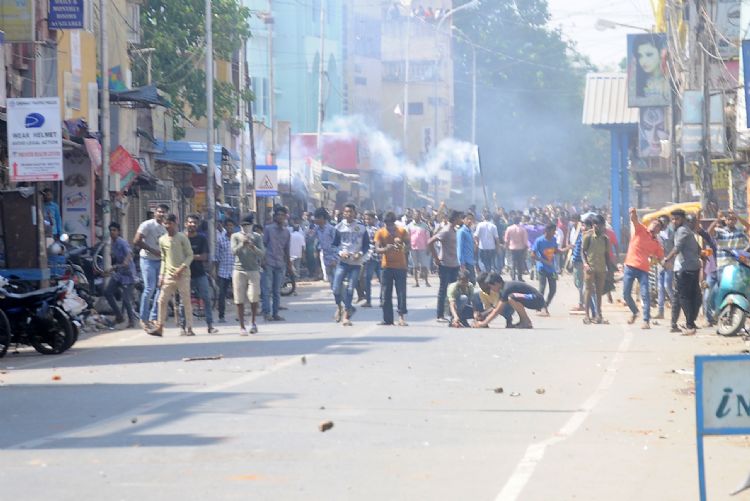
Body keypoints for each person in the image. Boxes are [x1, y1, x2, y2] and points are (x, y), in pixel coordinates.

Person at [149, 214, 193, 337]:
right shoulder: (162, 240)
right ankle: (160, 327)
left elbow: (190, 255)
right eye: (165, 223)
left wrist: (181, 268)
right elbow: (163, 258)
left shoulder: (182, 238)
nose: (167, 226)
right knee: (161, 300)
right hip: (169, 275)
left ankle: (189, 327)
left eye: (170, 223)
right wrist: (161, 275)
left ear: (175, 223)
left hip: (183, 275)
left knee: (186, 301)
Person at [622, 208, 664, 329]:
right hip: (630, 266)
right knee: (626, 294)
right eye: (654, 223)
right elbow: (634, 220)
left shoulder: (656, 243)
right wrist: (633, 212)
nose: (654, 226)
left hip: (643, 270)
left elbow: (661, 257)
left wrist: (665, 263)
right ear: (650, 224)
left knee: (645, 294)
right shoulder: (641, 230)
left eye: (657, 225)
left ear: (659, 230)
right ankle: (635, 312)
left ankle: (646, 320)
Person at [662, 209, 701, 335]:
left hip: (686, 269)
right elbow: (694, 248)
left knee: (684, 297)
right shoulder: (682, 230)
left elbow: (678, 247)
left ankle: (687, 324)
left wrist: (667, 258)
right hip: (687, 268)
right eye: (673, 219)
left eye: (677, 219)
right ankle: (685, 324)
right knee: (685, 297)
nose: (674, 221)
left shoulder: (682, 230)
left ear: (683, 219)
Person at [332, 203, 370, 326]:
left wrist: (360, 253)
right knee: (336, 288)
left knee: (350, 289)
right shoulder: (339, 227)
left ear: (355, 213)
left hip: (356, 263)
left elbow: (366, 245)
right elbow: (334, 245)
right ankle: (339, 306)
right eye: (346, 212)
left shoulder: (361, 227)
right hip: (343, 262)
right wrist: (340, 253)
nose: (348, 214)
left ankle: (346, 315)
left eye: (350, 212)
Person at [133, 203, 168, 331]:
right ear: (155, 213)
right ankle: (143, 318)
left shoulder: (166, 227)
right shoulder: (147, 225)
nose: (161, 214)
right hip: (147, 260)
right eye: (159, 211)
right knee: (149, 288)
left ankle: (154, 316)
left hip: (161, 261)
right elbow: (136, 241)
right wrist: (152, 250)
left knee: (161, 288)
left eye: (164, 212)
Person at [232, 214, 266, 335]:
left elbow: (262, 253)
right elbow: (233, 251)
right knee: (239, 298)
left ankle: (253, 322)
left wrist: (253, 247)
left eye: (248, 225)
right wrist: (242, 243)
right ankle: (242, 326)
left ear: (252, 225)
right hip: (239, 270)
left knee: (254, 296)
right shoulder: (235, 236)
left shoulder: (257, 237)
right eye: (243, 225)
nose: (245, 228)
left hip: (253, 270)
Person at [375, 211, 410, 326]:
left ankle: (401, 317)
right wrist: (386, 249)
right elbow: (377, 249)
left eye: (390, 224)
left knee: (401, 292)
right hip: (386, 266)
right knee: (385, 293)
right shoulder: (380, 232)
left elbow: (408, 245)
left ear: (394, 223)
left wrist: (402, 247)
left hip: (400, 266)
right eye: (386, 224)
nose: (388, 226)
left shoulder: (402, 231)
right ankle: (387, 319)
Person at [185, 214, 218, 334]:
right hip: (185, 274)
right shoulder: (182, 238)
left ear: (197, 225)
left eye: (194, 223)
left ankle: (210, 325)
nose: (192, 225)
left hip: (200, 273)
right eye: (190, 222)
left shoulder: (202, 238)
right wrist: (195, 256)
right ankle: (184, 327)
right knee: (184, 301)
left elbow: (204, 256)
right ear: (186, 224)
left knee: (206, 299)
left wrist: (189, 257)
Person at [473, 275, 546, 329]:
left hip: (537, 299)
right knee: (512, 298)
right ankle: (523, 321)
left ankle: (526, 322)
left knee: (512, 298)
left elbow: (497, 310)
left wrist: (483, 323)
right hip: (533, 299)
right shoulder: (503, 288)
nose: (491, 289)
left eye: (491, 287)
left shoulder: (506, 289)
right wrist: (483, 315)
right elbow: (497, 306)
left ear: (497, 283)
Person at [429, 210, 462, 322]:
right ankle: (440, 315)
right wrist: (436, 258)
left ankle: (452, 314)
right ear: (455, 218)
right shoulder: (446, 230)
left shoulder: (454, 230)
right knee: (443, 290)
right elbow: (430, 242)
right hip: (445, 264)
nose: (461, 220)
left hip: (454, 264)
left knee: (453, 290)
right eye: (459, 217)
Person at [102, 222, 136, 328]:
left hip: (128, 274)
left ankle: (131, 321)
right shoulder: (112, 243)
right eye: (111, 230)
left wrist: (126, 261)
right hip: (119, 273)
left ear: (118, 231)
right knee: (107, 292)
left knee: (126, 299)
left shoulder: (122, 242)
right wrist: (111, 269)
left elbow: (129, 253)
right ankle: (119, 316)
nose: (112, 232)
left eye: (114, 230)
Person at [263, 206, 292, 321]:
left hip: (280, 263)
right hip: (269, 262)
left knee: (277, 290)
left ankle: (275, 313)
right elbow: (263, 245)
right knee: (267, 289)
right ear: (275, 216)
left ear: (285, 217)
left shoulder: (287, 232)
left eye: (283, 215)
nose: (281, 217)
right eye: (279, 215)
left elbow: (287, 250)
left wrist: (289, 264)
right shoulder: (268, 229)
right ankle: (267, 313)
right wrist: (263, 260)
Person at [582, 215, 612, 325]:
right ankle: (586, 315)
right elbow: (583, 251)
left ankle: (599, 315)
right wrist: (585, 264)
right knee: (588, 291)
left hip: (601, 268)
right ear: (594, 225)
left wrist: (609, 269)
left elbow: (607, 255)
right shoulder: (588, 236)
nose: (601, 227)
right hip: (590, 268)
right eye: (599, 225)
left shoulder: (605, 239)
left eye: (602, 225)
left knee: (599, 292)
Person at [532, 223, 560, 316]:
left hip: (552, 269)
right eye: (553, 231)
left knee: (553, 289)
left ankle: (545, 306)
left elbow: (556, 251)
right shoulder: (539, 240)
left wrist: (566, 248)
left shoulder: (554, 239)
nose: (554, 233)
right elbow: (533, 255)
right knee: (542, 288)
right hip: (542, 268)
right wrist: (544, 261)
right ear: (547, 231)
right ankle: (539, 307)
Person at [631, 35, 668, 104]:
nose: (643, 61)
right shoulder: (637, 84)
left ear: (661, 53)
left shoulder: (670, 81)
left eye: (649, 54)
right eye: (640, 56)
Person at [655, 215, 675, 320]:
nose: (662, 223)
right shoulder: (657, 234)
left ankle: (676, 306)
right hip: (660, 263)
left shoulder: (672, 233)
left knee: (667, 286)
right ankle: (660, 312)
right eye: (660, 221)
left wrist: (670, 260)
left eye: (663, 221)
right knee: (660, 288)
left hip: (670, 262)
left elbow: (676, 248)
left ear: (667, 222)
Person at [360, 210, 381, 308]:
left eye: (369, 219)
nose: (367, 221)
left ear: (373, 219)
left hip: (378, 257)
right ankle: (368, 300)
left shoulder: (378, 229)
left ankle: (382, 300)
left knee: (382, 280)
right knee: (366, 279)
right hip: (369, 258)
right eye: (365, 219)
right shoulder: (364, 229)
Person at [312, 207, 338, 282]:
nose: (315, 220)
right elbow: (312, 238)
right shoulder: (317, 229)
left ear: (321, 218)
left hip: (334, 256)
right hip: (325, 257)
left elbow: (337, 244)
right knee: (330, 279)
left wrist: (335, 258)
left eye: (316, 218)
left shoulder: (331, 229)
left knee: (336, 279)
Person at [407, 211, 432, 287]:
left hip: (423, 248)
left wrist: (428, 247)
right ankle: (416, 282)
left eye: (419, 215)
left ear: (421, 216)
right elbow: (407, 237)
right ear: (413, 216)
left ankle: (426, 281)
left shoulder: (425, 225)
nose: (417, 216)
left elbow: (428, 237)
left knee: (424, 266)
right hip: (413, 248)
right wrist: (408, 246)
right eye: (416, 215)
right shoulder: (410, 225)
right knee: (415, 266)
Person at [215, 221, 233, 323]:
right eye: (228, 225)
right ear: (225, 227)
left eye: (231, 225)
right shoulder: (220, 240)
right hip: (223, 271)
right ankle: (221, 316)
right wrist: (216, 271)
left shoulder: (236, 239)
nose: (230, 227)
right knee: (222, 294)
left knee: (238, 294)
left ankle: (240, 315)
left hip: (235, 270)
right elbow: (217, 256)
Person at [504, 216, 529, 281]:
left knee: (513, 262)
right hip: (521, 248)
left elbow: (506, 239)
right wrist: (526, 247)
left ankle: (513, 277)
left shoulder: (509, 228)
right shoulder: (522, 229)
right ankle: (520, 277)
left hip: (512, 248)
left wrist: (506, 246)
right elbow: (525, 240)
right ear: (519, 221)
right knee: (520, 263)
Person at [457, 212, 477, 283]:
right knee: (469, 283)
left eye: (471, 219)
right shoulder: (461, 231)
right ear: (463, 220)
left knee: (472, 283)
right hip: (465, 262)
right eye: (468, 219)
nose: (470, 221)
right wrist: (462, 264)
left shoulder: (470, 231)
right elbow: (459, 248)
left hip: (470, 261)